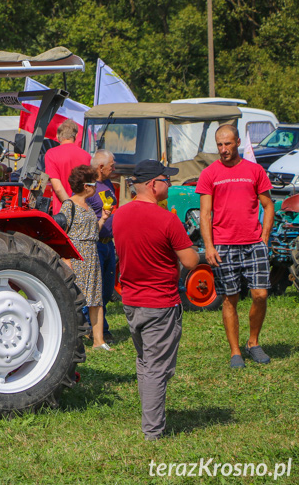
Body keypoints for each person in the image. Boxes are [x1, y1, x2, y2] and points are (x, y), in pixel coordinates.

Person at [113, 160, 198, 441]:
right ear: (153, 184)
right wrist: (189, 248)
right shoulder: (168, 219)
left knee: (145, 362)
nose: (170, 184)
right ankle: (152, 431)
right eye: (166, 179)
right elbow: (190, 260)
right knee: (156, 369)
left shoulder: (119, 216)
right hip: (160, 302)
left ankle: (151, 415)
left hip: (132, 301)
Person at [197, 124, 275, 368]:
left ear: (238, 142)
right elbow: (205, 214)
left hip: (253, 243)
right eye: (219, 145)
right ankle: (235, 352)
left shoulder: (254, 170)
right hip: (224, 245)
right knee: (230, 298)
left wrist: (265, 236)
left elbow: (269, 205)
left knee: (260, 294)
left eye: (228, 144)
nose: (223, 149)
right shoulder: (209, 173)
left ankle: (253, 342)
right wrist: (209, 246)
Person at [60, 165, 113, 350]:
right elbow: (62, 235)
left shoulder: (89, 206)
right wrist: (67, 260)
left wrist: (103, 219)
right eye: (93, 184)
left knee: (95, 300)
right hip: (77, 257)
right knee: (76, 300)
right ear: (85, 186)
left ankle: (99, 341)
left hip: (92, 254)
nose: (96, 188)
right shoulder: (68, 205)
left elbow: (92, 233)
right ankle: (73, 339)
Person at [84, 149, 117, 343]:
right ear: (100, 167)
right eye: (112, 166)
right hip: (95, 245)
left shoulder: (107, 183)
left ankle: (99, 328)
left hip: (108, 244)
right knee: (93, 290)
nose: (115, 169)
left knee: (106, 290)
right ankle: (95, 329)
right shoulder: (88, 187)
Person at [45, 119, 91, 214]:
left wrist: (70, 207)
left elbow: (58, 188)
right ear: (76, 136)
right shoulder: (87, 156)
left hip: (62, 212)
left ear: (58, 136)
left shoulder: (51, 154)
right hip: (83, 210)